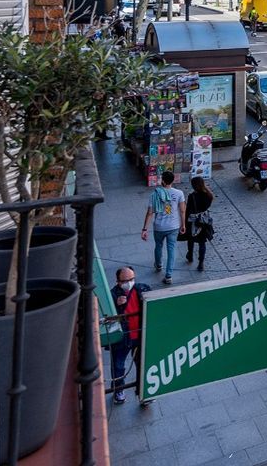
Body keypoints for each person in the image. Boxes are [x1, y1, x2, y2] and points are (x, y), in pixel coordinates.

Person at [108, 266, 150, 404]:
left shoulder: (142, 288)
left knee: (142, 364)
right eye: (125, 280)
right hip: (123, 338)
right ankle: (119, 389)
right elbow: (108, 318)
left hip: (139, 335)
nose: (129, 282)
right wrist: (116, 304)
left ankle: (144, 392)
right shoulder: (112, 295)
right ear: (118, 281)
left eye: (132, 279)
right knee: (118, 365)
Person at [142, 169, 186, 284]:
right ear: (172, 180)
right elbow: (182, 211)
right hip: (173, 226)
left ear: (163, 180)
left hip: (159, 226)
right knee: (171, 249)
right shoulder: (179, 193)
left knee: (158, 246)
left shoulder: (154, 194)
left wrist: (145, 229)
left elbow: (150, 212)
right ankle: (169, 275)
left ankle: (159, 265)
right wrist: (183, 224)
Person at [183, 176, 214, 272]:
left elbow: (188, 210)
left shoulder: (192, 196)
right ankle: (201, 263)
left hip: (193, 221)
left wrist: (184, 221)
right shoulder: (208, 195)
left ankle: (190, 255)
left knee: (191, 239)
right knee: (202, 242)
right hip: (204, 220)